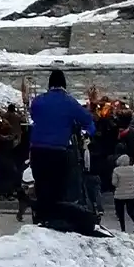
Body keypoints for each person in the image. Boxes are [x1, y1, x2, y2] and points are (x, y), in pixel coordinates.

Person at [28, 70, 95, 223]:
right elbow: (87, 119)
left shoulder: (38, 101)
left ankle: (40, 218)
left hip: (37, 150)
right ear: (64, 85)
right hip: (57, 151)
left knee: (41, 184)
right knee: (57, 187)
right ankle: (54, 219)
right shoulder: (69, 102)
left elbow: (34, 116)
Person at [112, 154, 134, 231]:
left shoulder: (116, 170)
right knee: (131, 211)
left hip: (119, 195)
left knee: (120, 213)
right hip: (131, 193)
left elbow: (114, 183)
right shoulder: (132, 169)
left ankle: (123, 229)